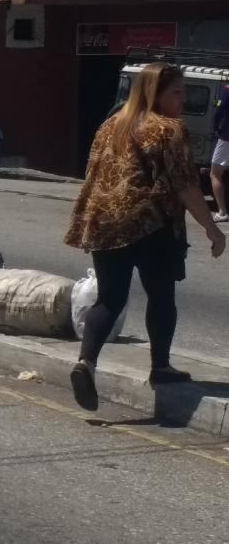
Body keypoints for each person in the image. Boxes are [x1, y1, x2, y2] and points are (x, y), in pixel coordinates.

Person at [64, 63, 225, 411]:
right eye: (177, 92)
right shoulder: (169, 129)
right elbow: (185, 185)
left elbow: (92, 172)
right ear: (155, 94)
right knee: (161, 295)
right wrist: (212, 229)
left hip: (105, 222)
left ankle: (85, 363)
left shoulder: (110, 125)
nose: (182, 99)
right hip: (152, 225)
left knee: (109, 299)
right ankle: (160, 367)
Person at [210, 83, 229, 222]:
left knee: (215, 173)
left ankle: (222, 212)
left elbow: (220, 110)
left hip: (227, 137)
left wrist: (217, 128)